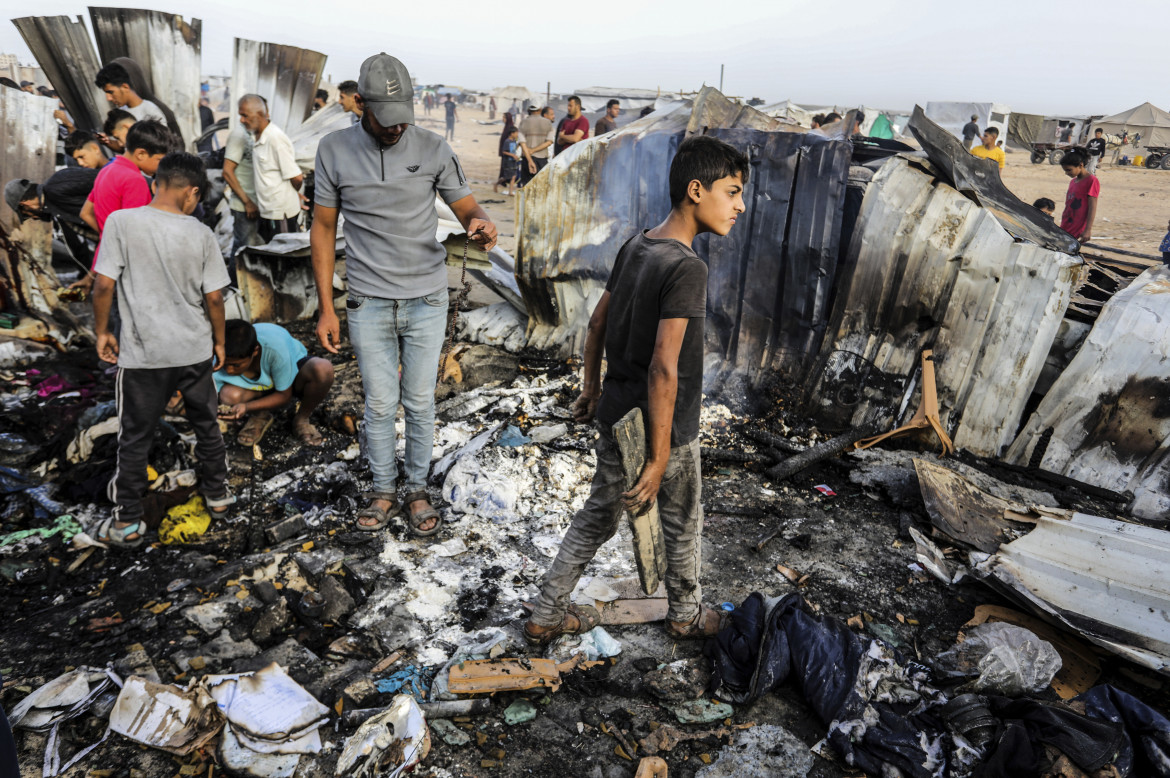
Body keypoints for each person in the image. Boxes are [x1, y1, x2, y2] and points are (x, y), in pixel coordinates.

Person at [523, 135, 748, 646]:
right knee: (683, 520)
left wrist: (591, 389)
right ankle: (685, 614)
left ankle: (546, 612)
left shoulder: (638, 244)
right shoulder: (688, 267)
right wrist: (659, 455)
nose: (739, 206)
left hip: (616, 414)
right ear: (696, 190)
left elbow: (597, 323)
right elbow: (664, 370)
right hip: (666, 424)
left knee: (598, 515)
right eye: (732, 192)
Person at [310, 52, 497, 537]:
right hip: (367, 301)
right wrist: (326, 307)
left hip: (426, 298)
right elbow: (324, 229)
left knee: (419, 402)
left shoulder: (434, 148)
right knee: (377, 403)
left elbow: (467, 207)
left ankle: (415, 489)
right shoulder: (331, 150)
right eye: (384, 120)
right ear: (359, 105)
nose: (395, 129)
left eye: (402, 120)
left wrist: (479, 224)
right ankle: (383, 490)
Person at [91, 151, 234, 547]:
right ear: (191, 193)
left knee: (135, 437)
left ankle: (127, 522)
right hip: (193, 352)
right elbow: (216, 298)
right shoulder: (200, 234)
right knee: (207, 425)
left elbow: (103, 285)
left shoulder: (122, 223)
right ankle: (219, 496)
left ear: (157, 183)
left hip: (143, 357)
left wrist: (102, 332)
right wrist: (219, 342)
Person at [215, 321, 335, 446]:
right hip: (259, 387)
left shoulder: (276, 350)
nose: (228, 370)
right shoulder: (218, 356)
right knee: (228, 395)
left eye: (236, 365)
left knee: (322, 369)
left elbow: (284, 396)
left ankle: (302, 419)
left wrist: (246, 407)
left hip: (291, 378)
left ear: (255, 351)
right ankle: (260, 415)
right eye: (225, 364)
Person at [80, 119, 172, 243]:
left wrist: (107, 237)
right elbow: (135, 233)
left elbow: (85, 213)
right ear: (141, 154)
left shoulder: (107, 169)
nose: (160, 166)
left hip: (105, 254)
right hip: (126, 259)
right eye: (159, 160)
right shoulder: (134, 180)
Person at [238, 94, 303, 241]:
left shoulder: (275, 139)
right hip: (267, 211)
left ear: (260, 114)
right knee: (270, 252)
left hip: (280, 213)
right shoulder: (257, 136)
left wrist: (291, 194)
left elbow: (297, 177)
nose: (242, 120)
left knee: (283, 255)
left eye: (245, 116)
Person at [221, 124, 260, 261]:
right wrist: (247, 202)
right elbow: (227, 171)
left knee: (252, 249)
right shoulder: (239, 135)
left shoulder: (255, 134)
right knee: (243, 251)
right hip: (245, 205)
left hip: (256, 203)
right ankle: (235, 282)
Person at [94, 61, 167, 125]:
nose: (108, 98)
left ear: (125, 87)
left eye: (111, 92)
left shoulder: (151, 111)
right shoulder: (120, 112)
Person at [1059, 149, 1099, 243]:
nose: (1067, 173)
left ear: (1080, 165)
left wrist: (1088, 230)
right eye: (1065, 171)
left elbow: (1092, 207)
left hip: (1078, 225)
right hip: (1067, 222)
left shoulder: (1091, 181)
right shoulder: (1073, 182)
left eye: (1069, 170)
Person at [518, 105, 554, 186]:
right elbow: (549, 142)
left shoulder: (523, 122)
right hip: (542, 161)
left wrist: (530, 160)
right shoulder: (547, 122)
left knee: (527, 187)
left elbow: (522, 142)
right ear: (540, 109)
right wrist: (533, 150)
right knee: (541, 187)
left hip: (526, 160)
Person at [494, 126, 520, 196]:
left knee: (513, 176)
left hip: (513, 161)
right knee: (506, 177)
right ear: (512, 133)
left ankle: (510, 192)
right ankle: (497, 183)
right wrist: (512, 155)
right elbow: (504, 152)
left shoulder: (514, 141)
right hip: (508, 162)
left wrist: (518, 145)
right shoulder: (507, 141)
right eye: (516, 133)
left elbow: (514, 149)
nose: (517, 134)